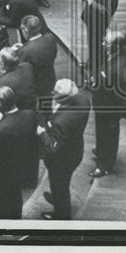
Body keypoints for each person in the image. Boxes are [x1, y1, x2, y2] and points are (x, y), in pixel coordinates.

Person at [38, 79, 91, 219]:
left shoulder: (61, 122)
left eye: (55, 93)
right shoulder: (84, 99)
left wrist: (42, 132)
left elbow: (53, 147)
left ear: (63, 99)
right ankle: (58, 199)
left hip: (61, 161)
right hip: (75, 149)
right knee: (61, 184)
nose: (52, 93)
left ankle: (61, 214)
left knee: (59, 185)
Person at [88, 31, 126, 177]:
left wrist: (96, 82)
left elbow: (117, 93)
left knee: (107, 133)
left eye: (106, 43)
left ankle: (104, 165)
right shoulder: (122, 53)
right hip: (104, 104)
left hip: (109, 107)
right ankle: (103, 151)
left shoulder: (117, 70)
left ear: (116, 47)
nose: (103, 44)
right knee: (105, 132)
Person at [0, 85, 38, 219]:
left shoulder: (0, 129)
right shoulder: (30, 114)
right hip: (21, 164)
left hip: (2, 171)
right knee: (16, 196)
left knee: (0, 202)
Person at [76, 0, 121, 81]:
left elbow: (106, 11)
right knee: (93, 42)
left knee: (96, 42)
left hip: (99, 19)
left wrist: (88, 1)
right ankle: (92, 62)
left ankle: (95, 71)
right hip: (93, 17)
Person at [15, 15, 59, 101]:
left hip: (36, 86)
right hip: (50, 79)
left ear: (25, 30)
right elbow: (54, 54)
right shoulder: (50, 37)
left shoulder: (25, 51)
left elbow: (21, 72)